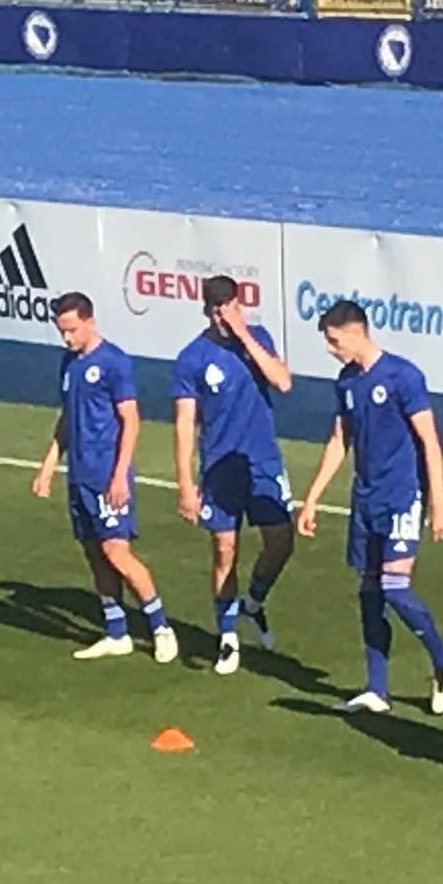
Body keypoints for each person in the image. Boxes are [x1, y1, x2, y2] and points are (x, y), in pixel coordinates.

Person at [297, 299, 443, 715]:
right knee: (369, 590)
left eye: (334, 341)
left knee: (394, 587)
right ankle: (377, 689)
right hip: (365, 499)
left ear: (355, 332)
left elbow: (430, 442)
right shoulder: (347, 382)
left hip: (403, 496)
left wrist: (439, 503)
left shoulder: (403, 376)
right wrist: (312, 498)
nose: (332, 350)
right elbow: (339, 441)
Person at [31, 292, 178, 665]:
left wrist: (119, 476)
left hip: (107, 475)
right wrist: (50, 464)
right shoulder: (69, 363)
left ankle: (160, 627)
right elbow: (67, 417)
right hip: (78, 475)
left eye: (72, 330)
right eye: (62, 331)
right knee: (95, 553)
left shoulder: (114, 363)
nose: (67, 338)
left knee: (117, 552)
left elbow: (131, 420)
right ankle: (117, 633)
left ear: (90, 321)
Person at [171, 275, 295, 676]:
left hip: (262, 461)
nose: (223, 319)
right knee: (225, 548)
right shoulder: (191, 358)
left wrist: (243, 334)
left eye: (229, 310)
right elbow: (184, 423)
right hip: (220, 467)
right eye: (216, 312)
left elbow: (282, 381)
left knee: (281, 541)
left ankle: (253, 602)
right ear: (206, 310)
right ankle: (227, 637)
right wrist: (186, 484)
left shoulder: (257, 339)